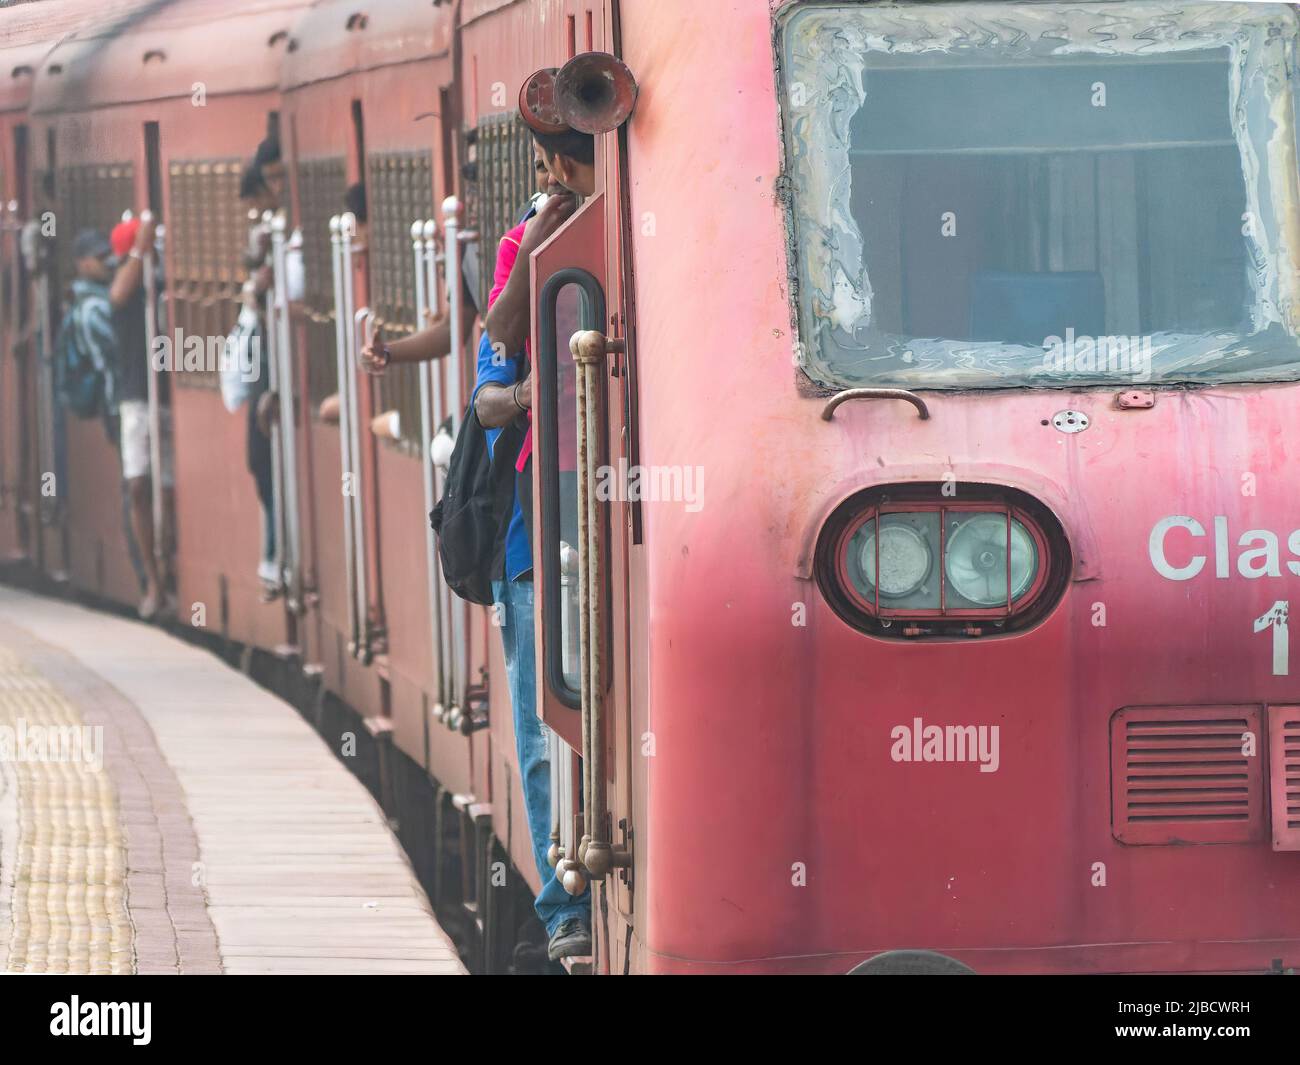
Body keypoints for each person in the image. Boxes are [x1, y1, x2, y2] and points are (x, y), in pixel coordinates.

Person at [108, 214, 173, 620]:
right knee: (137, 485)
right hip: (136, 397)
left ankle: (174, 569)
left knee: (169, 488)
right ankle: (152, 578)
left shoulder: (162, 284)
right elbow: (118, 293)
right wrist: (138, 252)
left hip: (168, 398)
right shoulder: (123, 291)